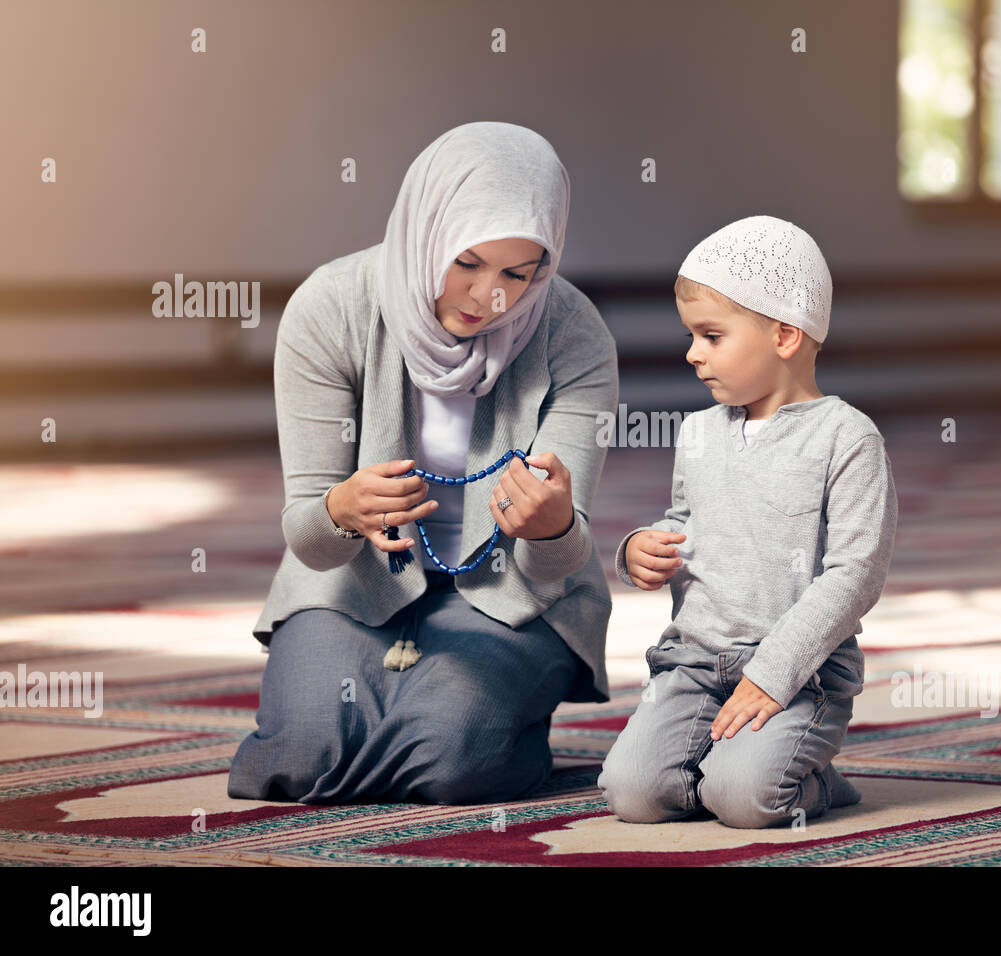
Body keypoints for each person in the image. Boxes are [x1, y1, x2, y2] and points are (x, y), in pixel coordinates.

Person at [227, 122, 618, 806]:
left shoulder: (574, 334)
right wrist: (341, 511)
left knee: (455, 760)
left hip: (513, 597)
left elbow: (558, 560)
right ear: (426, 231)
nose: (487, 297)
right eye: (466, 263)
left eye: (516, 275)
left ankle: (465, 729)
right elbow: (310, 540)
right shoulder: (331, 306)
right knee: (299, 757)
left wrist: (555, 529)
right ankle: (431, 723)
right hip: (352, 584)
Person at [597, 215, 898, 829]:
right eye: (691, 335)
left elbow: (855, 574)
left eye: (711, 335)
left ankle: (812, 783)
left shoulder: (847, 438)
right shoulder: (699, 431)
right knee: (631, 794)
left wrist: (771, 675)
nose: (691, 353)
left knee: (744, 802)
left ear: (785, 335)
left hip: (796, 674)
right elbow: (684, 521)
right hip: (693, 664)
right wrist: (641, 549)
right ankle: (729, 760)